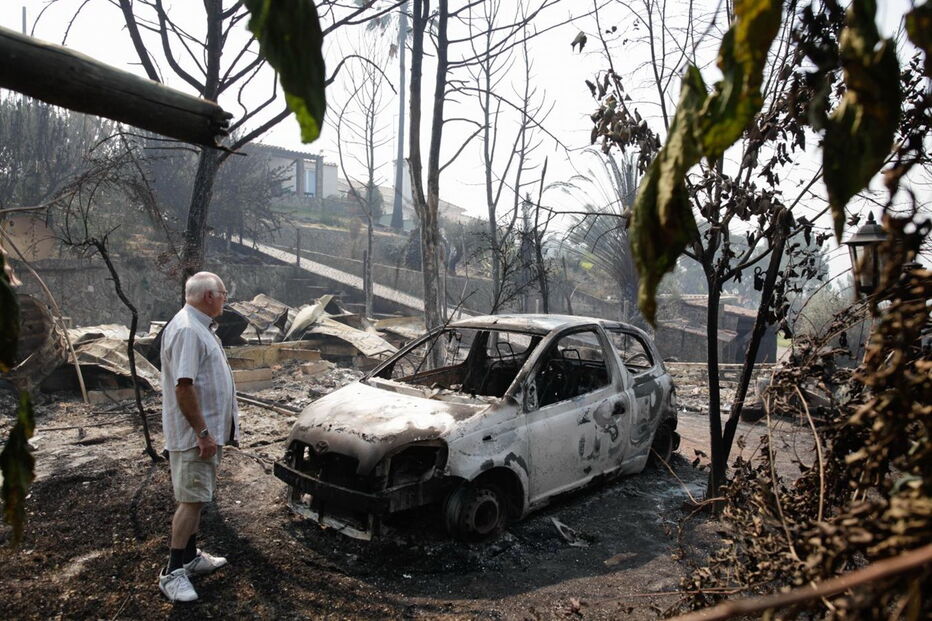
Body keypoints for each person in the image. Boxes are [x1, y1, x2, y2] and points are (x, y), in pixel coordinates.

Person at [158, 272, 239, 602]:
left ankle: (190, 558)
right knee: (190, 501)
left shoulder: (199, 325)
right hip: (196, 436)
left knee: (197, 497)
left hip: (206, 434)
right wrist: (203, 433)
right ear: (209, 296)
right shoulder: (190, 330)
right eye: (223, 293)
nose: (225, 299)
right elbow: (184, 386)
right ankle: (172, 571)